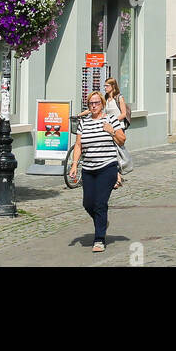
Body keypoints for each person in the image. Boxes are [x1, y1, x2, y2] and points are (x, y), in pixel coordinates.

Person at [68, 90, 126, 253]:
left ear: (102, 104)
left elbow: (122, 140)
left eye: (96, 103)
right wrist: (74, 165)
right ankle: (102, 222)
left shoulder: (110, 119)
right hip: (88, 169)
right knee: (87, 203)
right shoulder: (84, 123)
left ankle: (99, 239)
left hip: (107, 167)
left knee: (100, 203)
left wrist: (112, 131)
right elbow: (78, 145)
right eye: (91, 103)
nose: (93, 106)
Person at [103, 77, 131, 188]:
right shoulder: (105, 98)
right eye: (104, 85)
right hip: (109, 128)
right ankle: (118, 177)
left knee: (117, 152)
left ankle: (118, 177)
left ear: (113, 87)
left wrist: (113, 121)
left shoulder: (119, 98)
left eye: (107, 86)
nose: (105, 87)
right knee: (112, 152)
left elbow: (123, 114)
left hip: (119, 127)